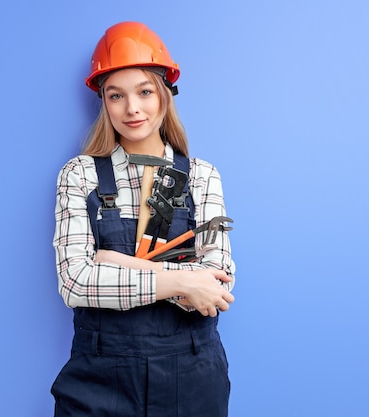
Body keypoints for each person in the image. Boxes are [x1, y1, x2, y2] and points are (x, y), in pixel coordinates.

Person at [51, 21, 236, 417]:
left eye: (145, 92)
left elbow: (215, 289)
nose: (132, 108)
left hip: (192, 374)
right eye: (116, 95)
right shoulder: (80, 174)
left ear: (166, 94)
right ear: (104, 101)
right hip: (99, 375)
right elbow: (75, 283)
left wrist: (113, 261)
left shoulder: (201, 176)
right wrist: (182, 280)